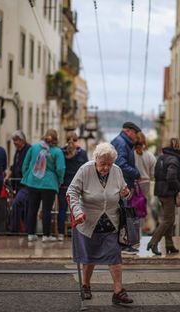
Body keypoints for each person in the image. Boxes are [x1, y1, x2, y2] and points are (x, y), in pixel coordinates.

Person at [67, 142, 134, 305]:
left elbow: (124, 192)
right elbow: (71, 192)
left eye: (109, 164)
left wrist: (126, 194)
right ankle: (86, 286)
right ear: (95, 159)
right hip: (88, 220)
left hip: (111, 221)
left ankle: (118, 291)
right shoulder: (85, 170)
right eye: (103, 164)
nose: (106, 167)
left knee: (114, 257)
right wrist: (77, 212)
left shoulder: (117, 171)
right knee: (89, 257)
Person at [21, 129, 66, 242]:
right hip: (49, 184)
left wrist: (27, 175)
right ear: (56, 139)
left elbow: (25, 163)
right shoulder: (57, 151)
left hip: (33, 182)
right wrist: (60, 180)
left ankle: (30, 234)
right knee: (46, 210)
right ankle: (46, 235)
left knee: (32, 209)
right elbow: (61, 169)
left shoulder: (34, 147)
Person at [147, 138, 180, 255]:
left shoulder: (161, 157)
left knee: (169, 219)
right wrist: (177, 187)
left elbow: (157, 174)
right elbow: (171, 177)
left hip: (161, 192)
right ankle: (153, 242)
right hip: (168, 193)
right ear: (178, 147)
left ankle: (169, 244)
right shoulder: (174, 160)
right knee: (168, 219)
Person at [111, 122, 141, 255]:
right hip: (121, 184)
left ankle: (123, 243)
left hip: (122, 183)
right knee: (122, 215)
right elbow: (121, 163)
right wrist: (135, 173)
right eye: (135, 133)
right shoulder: (121, 143)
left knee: (122, 214)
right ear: (128, 131)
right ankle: (123, 245)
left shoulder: (121, 142)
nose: (136, 136)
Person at [58, 132, 88, 241]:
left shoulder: (61, 152)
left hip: (63, 186)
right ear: (76, 140)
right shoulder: (82, 153)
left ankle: (61, 234)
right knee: (77, 210)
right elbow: (86, 170)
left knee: (62, 210)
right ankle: (78, 233)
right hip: (77, 187)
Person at [4, 130, 31, 232]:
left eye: (16, 140)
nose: (14, 142)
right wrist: (7, 176)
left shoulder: (29, 149)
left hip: (26, 184)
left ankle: (15, 230)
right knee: (22, 208)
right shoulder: (17, 151)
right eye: (14, 140)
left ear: (22, 140)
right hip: (18, 185)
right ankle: (24, 230)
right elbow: (14, 166)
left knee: (17, 204)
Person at [134, 132, 156, 233]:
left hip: (134, 183)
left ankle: (133, 232)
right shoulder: (150, 156)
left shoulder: (131, 154)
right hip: (146, 183)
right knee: (142, 207)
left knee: (132, 208)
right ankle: (140, 231)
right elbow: (153, 174)